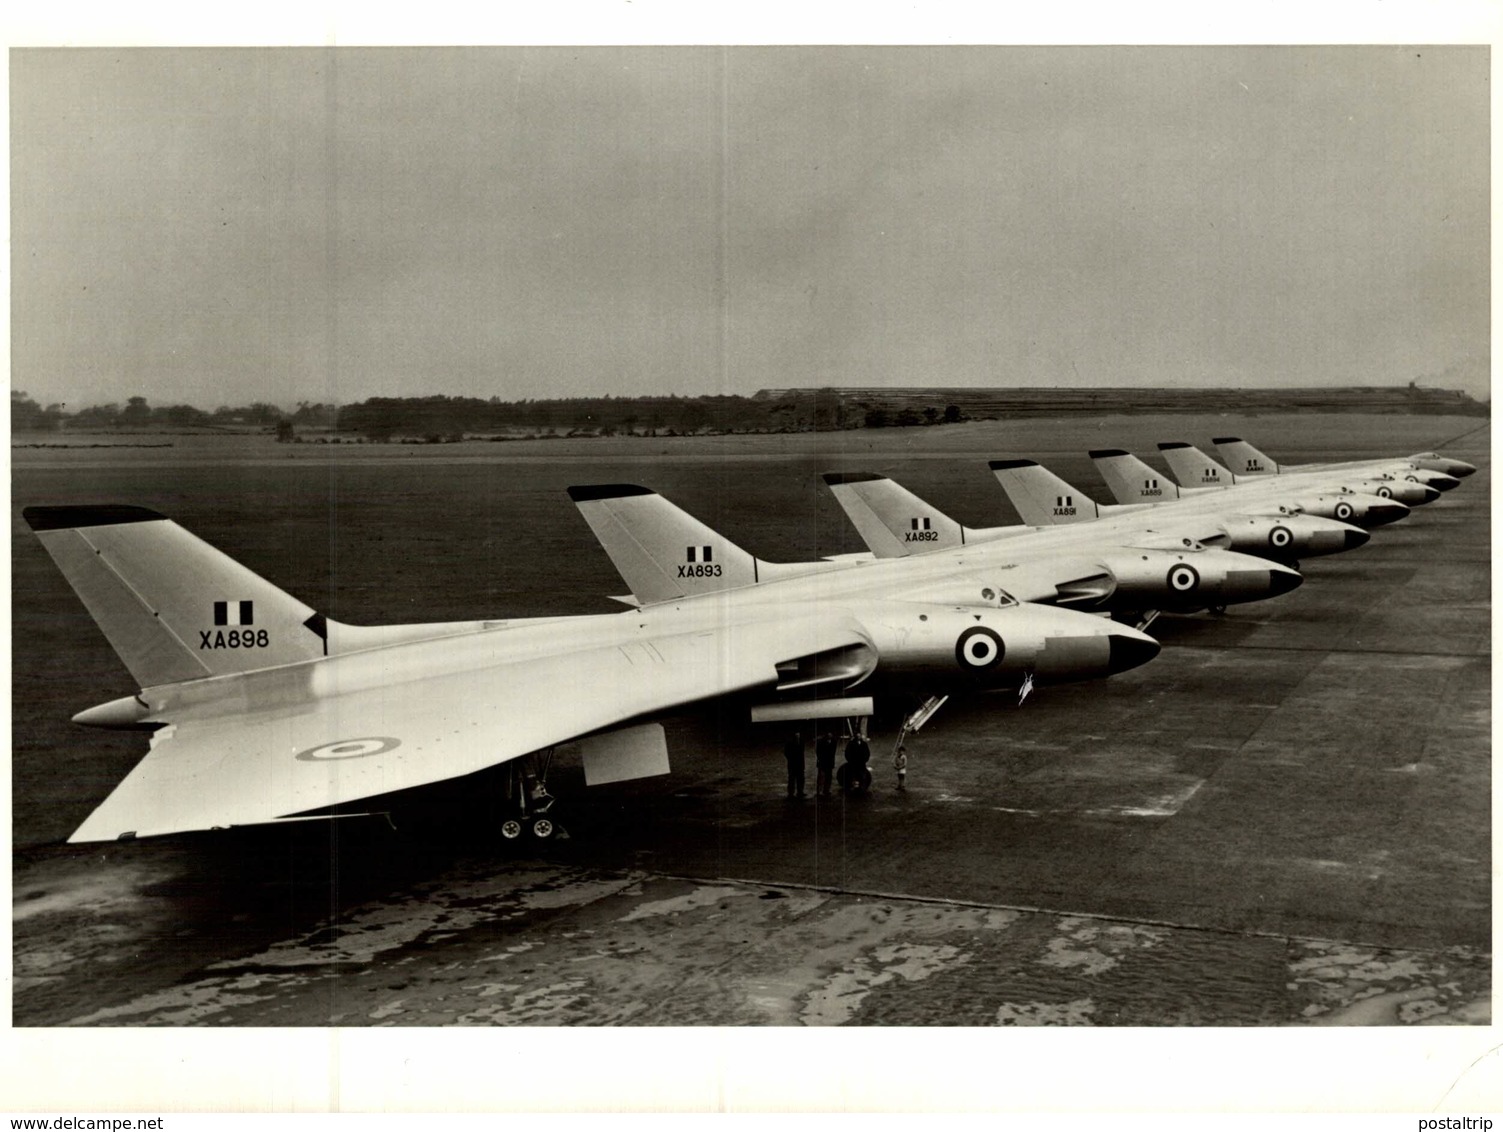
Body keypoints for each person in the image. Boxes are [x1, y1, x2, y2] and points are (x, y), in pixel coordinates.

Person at [783, 730, 806, 798]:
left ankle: (800, 791)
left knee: (800, 778)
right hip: (792, 764)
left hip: (800, 764)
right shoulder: (789, 742)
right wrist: (791, 759)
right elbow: (786, 752)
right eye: (796, 734)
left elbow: (802, 753)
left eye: (798, 734)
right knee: (792, 779)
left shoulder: (801, 742)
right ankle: (791, 793)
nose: (797, 735)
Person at [814, 731, 838, 797]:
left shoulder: (833, 742)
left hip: (829, 762)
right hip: (823, 762)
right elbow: (818, 751)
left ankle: (826, 789)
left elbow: (833, 752)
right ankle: (820, 791)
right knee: (821, 777)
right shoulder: (821, 742)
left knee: (828, 777)